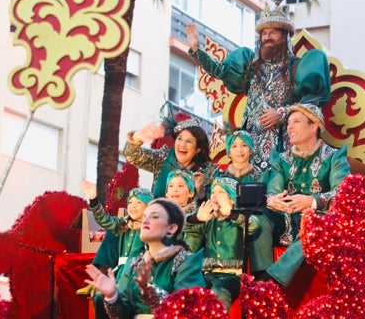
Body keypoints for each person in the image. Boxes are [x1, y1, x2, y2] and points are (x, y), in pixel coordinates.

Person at [186, 3, 331, 171]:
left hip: (283, 146)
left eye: (273, 32)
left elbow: (312, 105)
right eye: (264, 33)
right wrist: (197, 50)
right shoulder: (250, 67)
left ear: (285, 37)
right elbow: (221, 71)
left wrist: (280, 114)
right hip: (249, 148)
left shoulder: (297, 67)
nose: (267, 37)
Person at [251, 103, 350, 287]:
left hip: (316, 222)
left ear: (314, 126)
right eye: (288, 123)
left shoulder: (334, 157)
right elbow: (273, 189)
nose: (289, 127)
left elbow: (344, 193)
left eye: (296, 121)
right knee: (260, 215)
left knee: (315, 222)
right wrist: (273, 200)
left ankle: (273, 281)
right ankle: (260, 276)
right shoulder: (281, 159)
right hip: (286, 221)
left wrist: (312, 201)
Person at [85, 198, 205, 318]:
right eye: (145, 216)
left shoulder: (186, 262)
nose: (145, 220)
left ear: (171, 228)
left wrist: (149, 289)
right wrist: (112, 297)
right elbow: (124, 315)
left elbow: (187, 311)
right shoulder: (134, 261)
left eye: (155, 216)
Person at [183, 176, 259, 310]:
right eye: (212, 192)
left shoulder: (240, 217)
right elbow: (190, 242)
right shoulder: (208, 218)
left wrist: (231, 213)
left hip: (232, 277)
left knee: (218, 292)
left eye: (221, 192)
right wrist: (197, 219)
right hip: (206, 275)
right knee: (188, 290)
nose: (215, 196)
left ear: (231, 198)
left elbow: (253, 225)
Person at [124, 117, 215, 201]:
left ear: (198, 149)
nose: (182, 144)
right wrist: (137, 137)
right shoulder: (163, 158)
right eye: (179, 139)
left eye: (189, 141)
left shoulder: (207, 172)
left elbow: (212, 204)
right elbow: (132, 155)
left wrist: (200, 191)